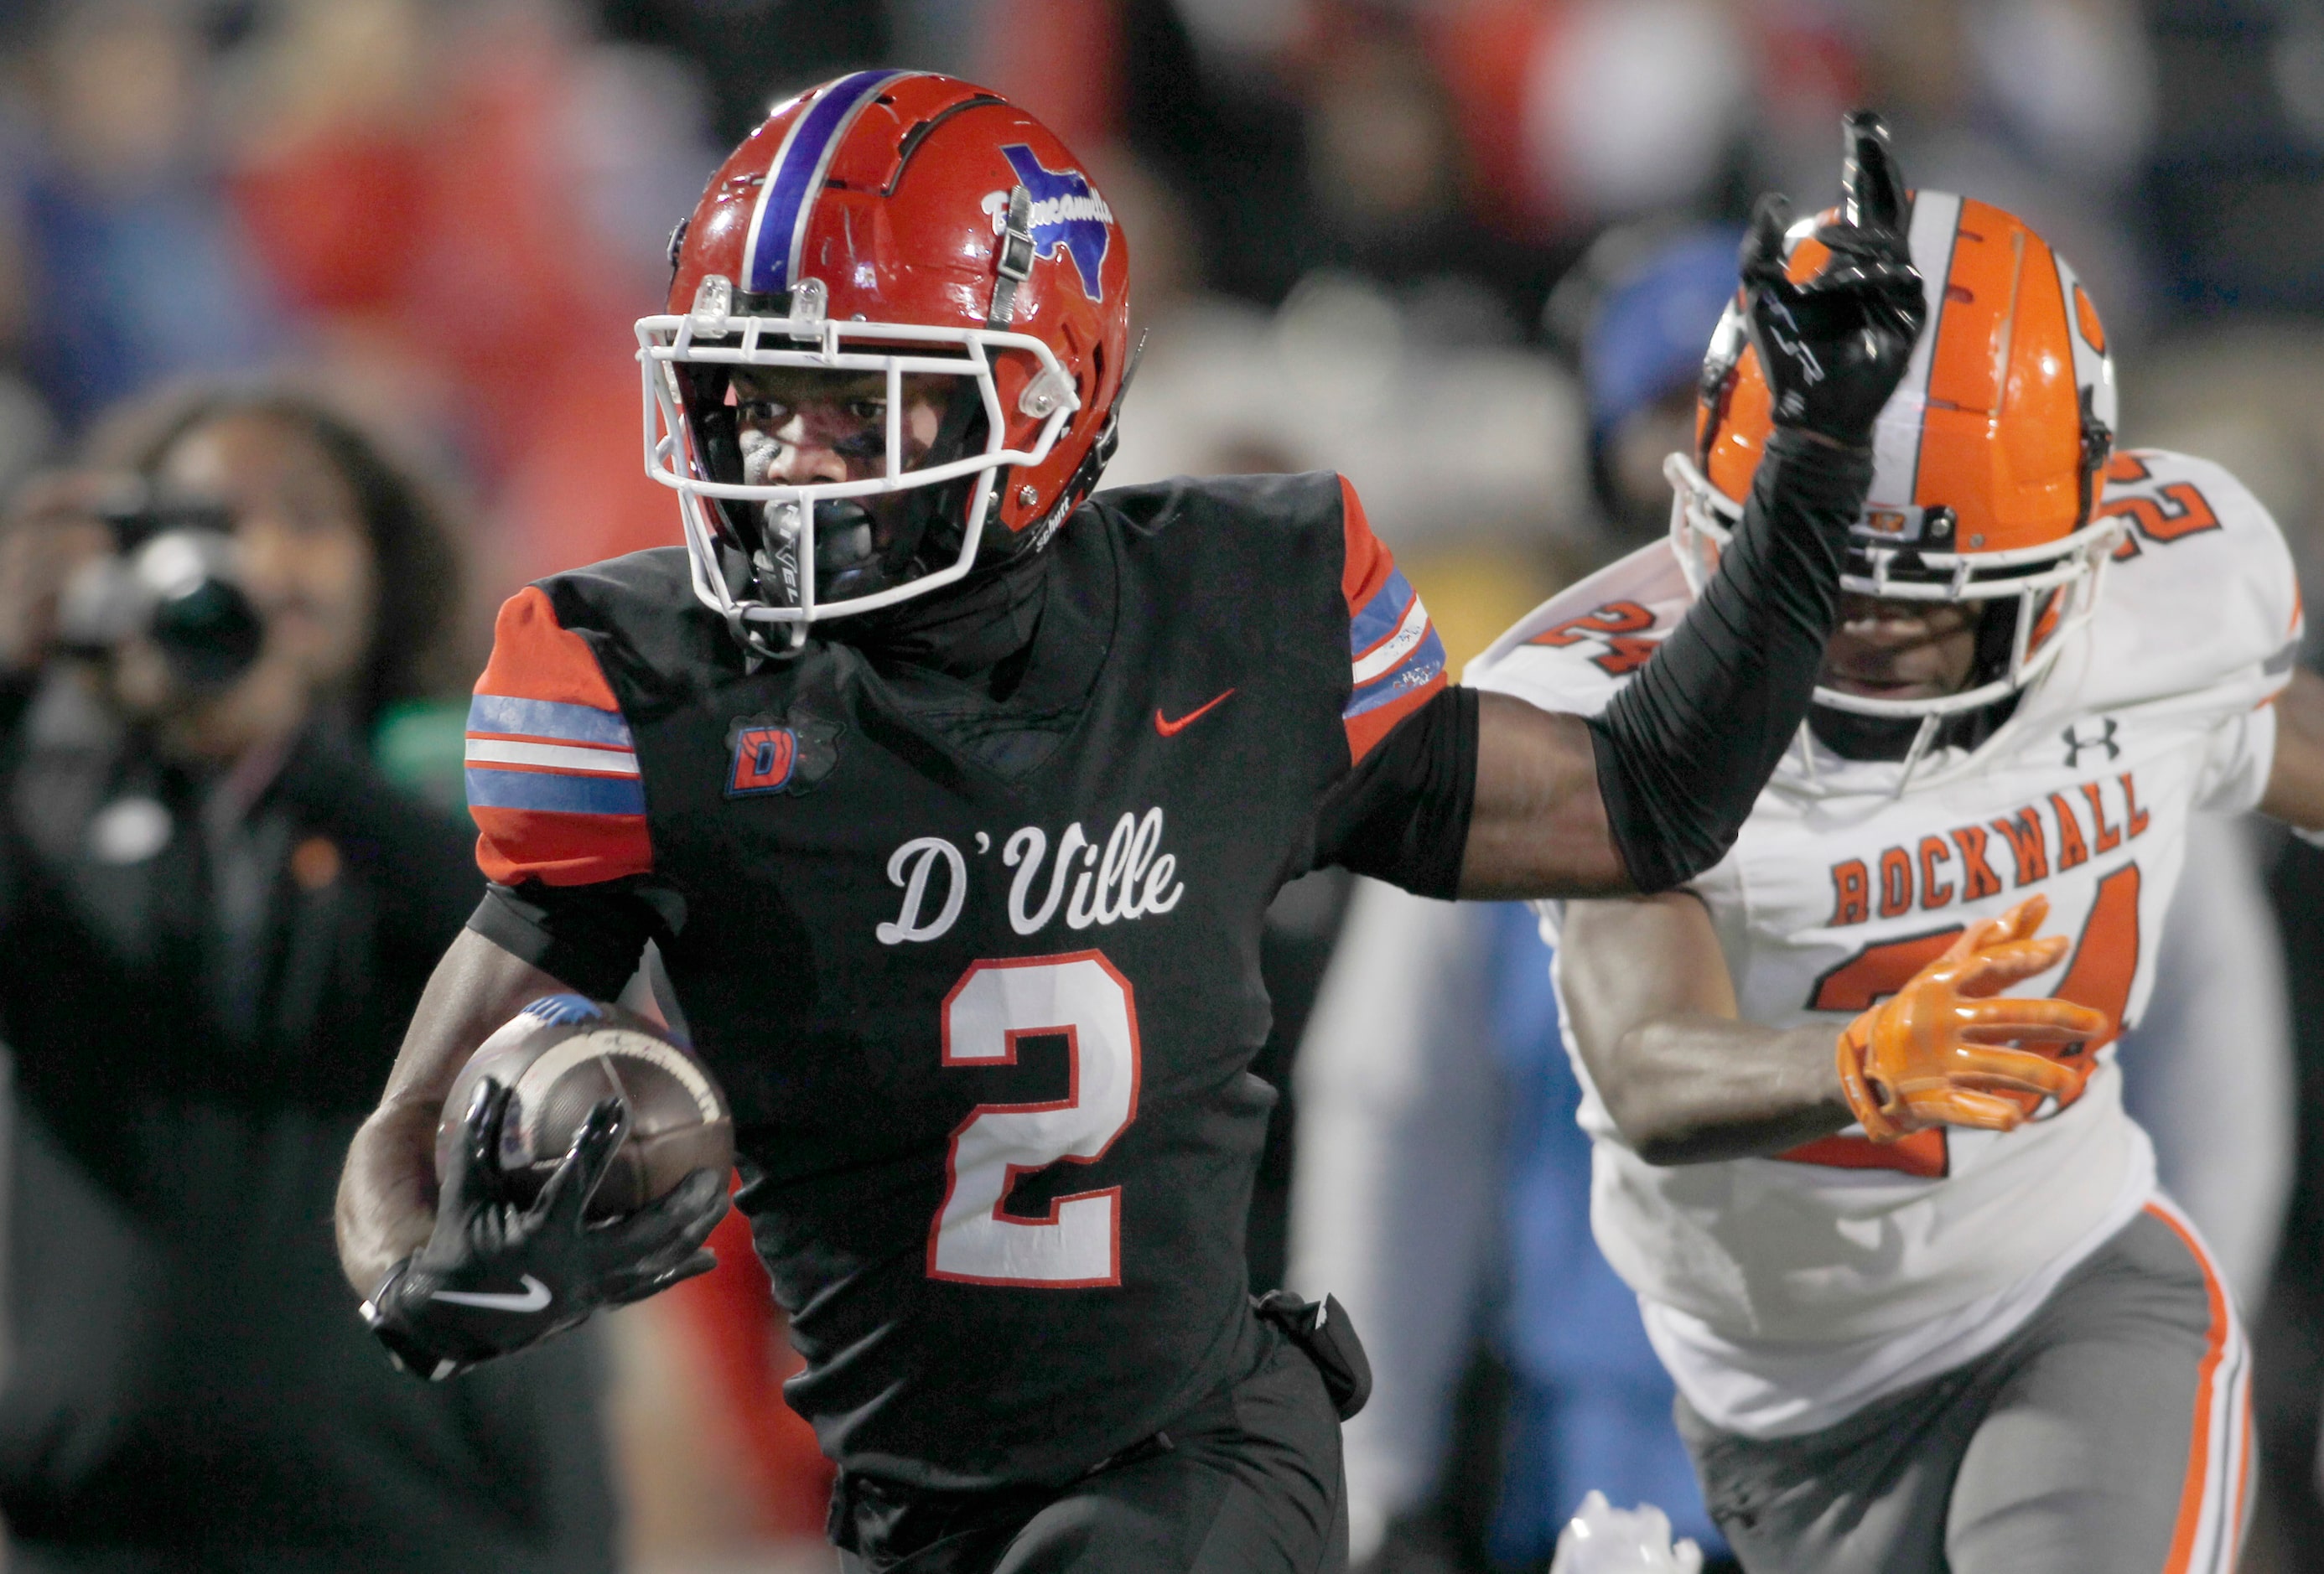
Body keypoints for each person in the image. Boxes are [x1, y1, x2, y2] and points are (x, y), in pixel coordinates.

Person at [334, 79, 1926, 1574]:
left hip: (1206, 1453)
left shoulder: (1231, 617)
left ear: (1039, 402)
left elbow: (1647, 801)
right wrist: (425, 1274)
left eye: (853, 406)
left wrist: (1815, 460)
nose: (784, 462)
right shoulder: (650, 695)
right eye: (753, 404)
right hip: (918, 1509)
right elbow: (400, 1139)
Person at [1465, 155, 2324, 1572]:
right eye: (1822, 574)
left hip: (2068, 1289)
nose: (1861, 634)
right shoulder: (1612, 713)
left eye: (1927, 599)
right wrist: (1851, 1066)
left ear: (2067, 559)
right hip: (1773, 1408)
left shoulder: (2149, 634)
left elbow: (2275, 729)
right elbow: (1649, 1061)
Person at [0, 388, 618, 1571]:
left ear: (385, 566)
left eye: (303, 518)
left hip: (431, 1522)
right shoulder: (52, 804)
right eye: (207, 519)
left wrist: (288, 751)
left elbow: (559, 973)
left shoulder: (471, 785)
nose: (259, 556)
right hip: (106, 1524)